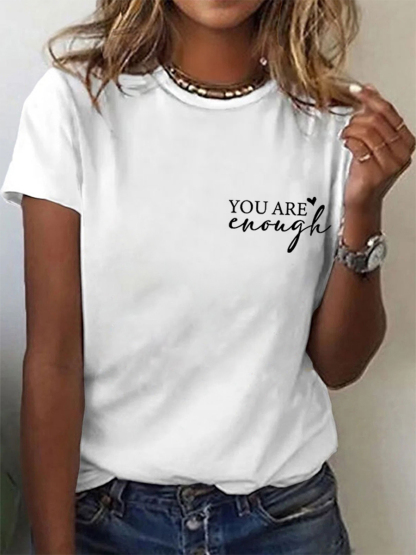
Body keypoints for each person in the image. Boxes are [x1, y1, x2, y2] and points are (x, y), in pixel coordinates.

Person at [1, 0, 414, 553]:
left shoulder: (335, 122)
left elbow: (340, 365)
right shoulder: (76, 103)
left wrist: (364, 208)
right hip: (109, 520)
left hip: (286, 520)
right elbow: (53, 361)